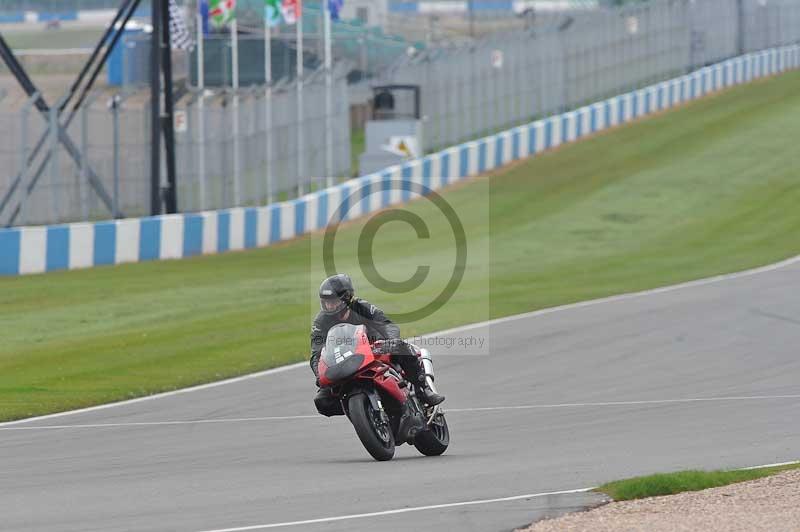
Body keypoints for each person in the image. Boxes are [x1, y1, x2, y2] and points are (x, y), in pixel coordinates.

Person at [310, 274, 445, 436]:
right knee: (322, 401)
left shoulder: (362, 307)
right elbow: (316, 353)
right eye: (326, 302)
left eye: (333, 301)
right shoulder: (320, 322)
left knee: (401, 347)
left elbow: (388, 325)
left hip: (374, 349)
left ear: (347, 298)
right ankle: (362, 412)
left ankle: (422, 389)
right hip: (345, 360)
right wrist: (319, 374)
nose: (329, 306)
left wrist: (390, 341)